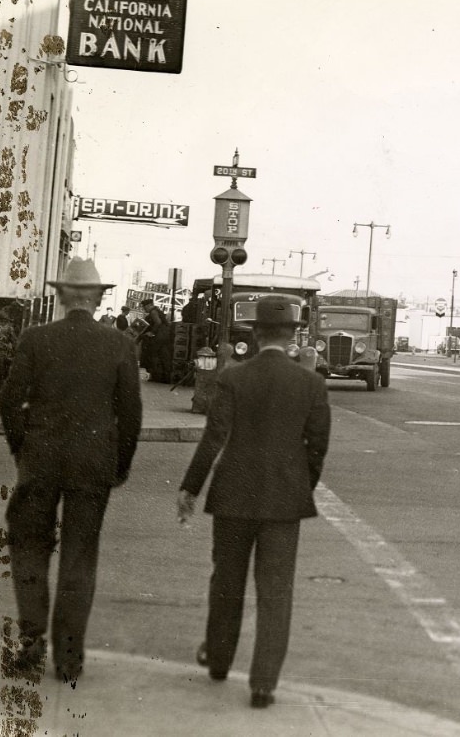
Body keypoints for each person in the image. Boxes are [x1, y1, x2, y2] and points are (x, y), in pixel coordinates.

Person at [177, 294, 331, 710]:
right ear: (293, 335)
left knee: (226, 583)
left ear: (258, 333)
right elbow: (317, 447)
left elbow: (214, 438)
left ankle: (219, 661)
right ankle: (263, 684)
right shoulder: (311, 383)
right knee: (276, 592)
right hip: (285, 501)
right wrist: (302, 485)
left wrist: (191, 488)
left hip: (232, 496)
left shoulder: (233, 377)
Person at [0, 258, 142, 685]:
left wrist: (24, 449)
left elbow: (9, 401)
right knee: (80, 554)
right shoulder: (119, 345)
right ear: (97, 299)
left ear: (61, 295)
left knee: (28, 545)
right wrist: (120, 463)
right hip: (92, 463)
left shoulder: (36, 339)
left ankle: (30, 643)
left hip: (41, 459)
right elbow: (130, 413)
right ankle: (69, 657)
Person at [139, 297, 169, 381]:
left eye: (145, 307)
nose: (144, 309)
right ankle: (161, 375)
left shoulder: (153, 312)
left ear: (149, 305)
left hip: (159, 336)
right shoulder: (157, 311)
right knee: (161, 355)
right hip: (164, 336)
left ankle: (155, 375)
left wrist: (152, 332)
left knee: (154, 354)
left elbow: (158, 322)